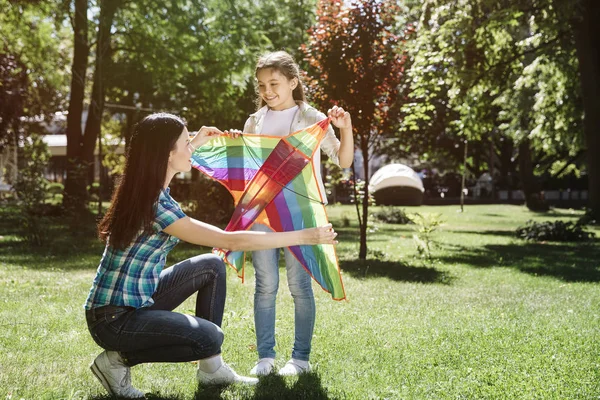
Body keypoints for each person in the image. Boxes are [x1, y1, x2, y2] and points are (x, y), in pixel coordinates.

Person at [84, 113, 338, 399]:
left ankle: (211, 369)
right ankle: (116, 360)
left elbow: (177, 154)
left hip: (131, 303)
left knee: (212, 265)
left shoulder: (145, 189)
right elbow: (227, 240)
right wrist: (303, 236)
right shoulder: (156, 206)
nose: (191, 146)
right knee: (209, 336)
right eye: (185, 141)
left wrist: (198, 140)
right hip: (114, 321)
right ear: (168, 154)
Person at [242, 51, 354, 376]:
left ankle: (300, 359)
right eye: (262, 85)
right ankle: (265, 357)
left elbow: (342, 160)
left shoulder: (311, 118)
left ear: (293, 82)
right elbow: (249, 169)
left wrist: (345, 129)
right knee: (265, 284)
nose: (267, 91)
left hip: (302, 214)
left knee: (299, 286)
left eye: (274, 83)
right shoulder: (255, 121)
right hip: (263, 212)